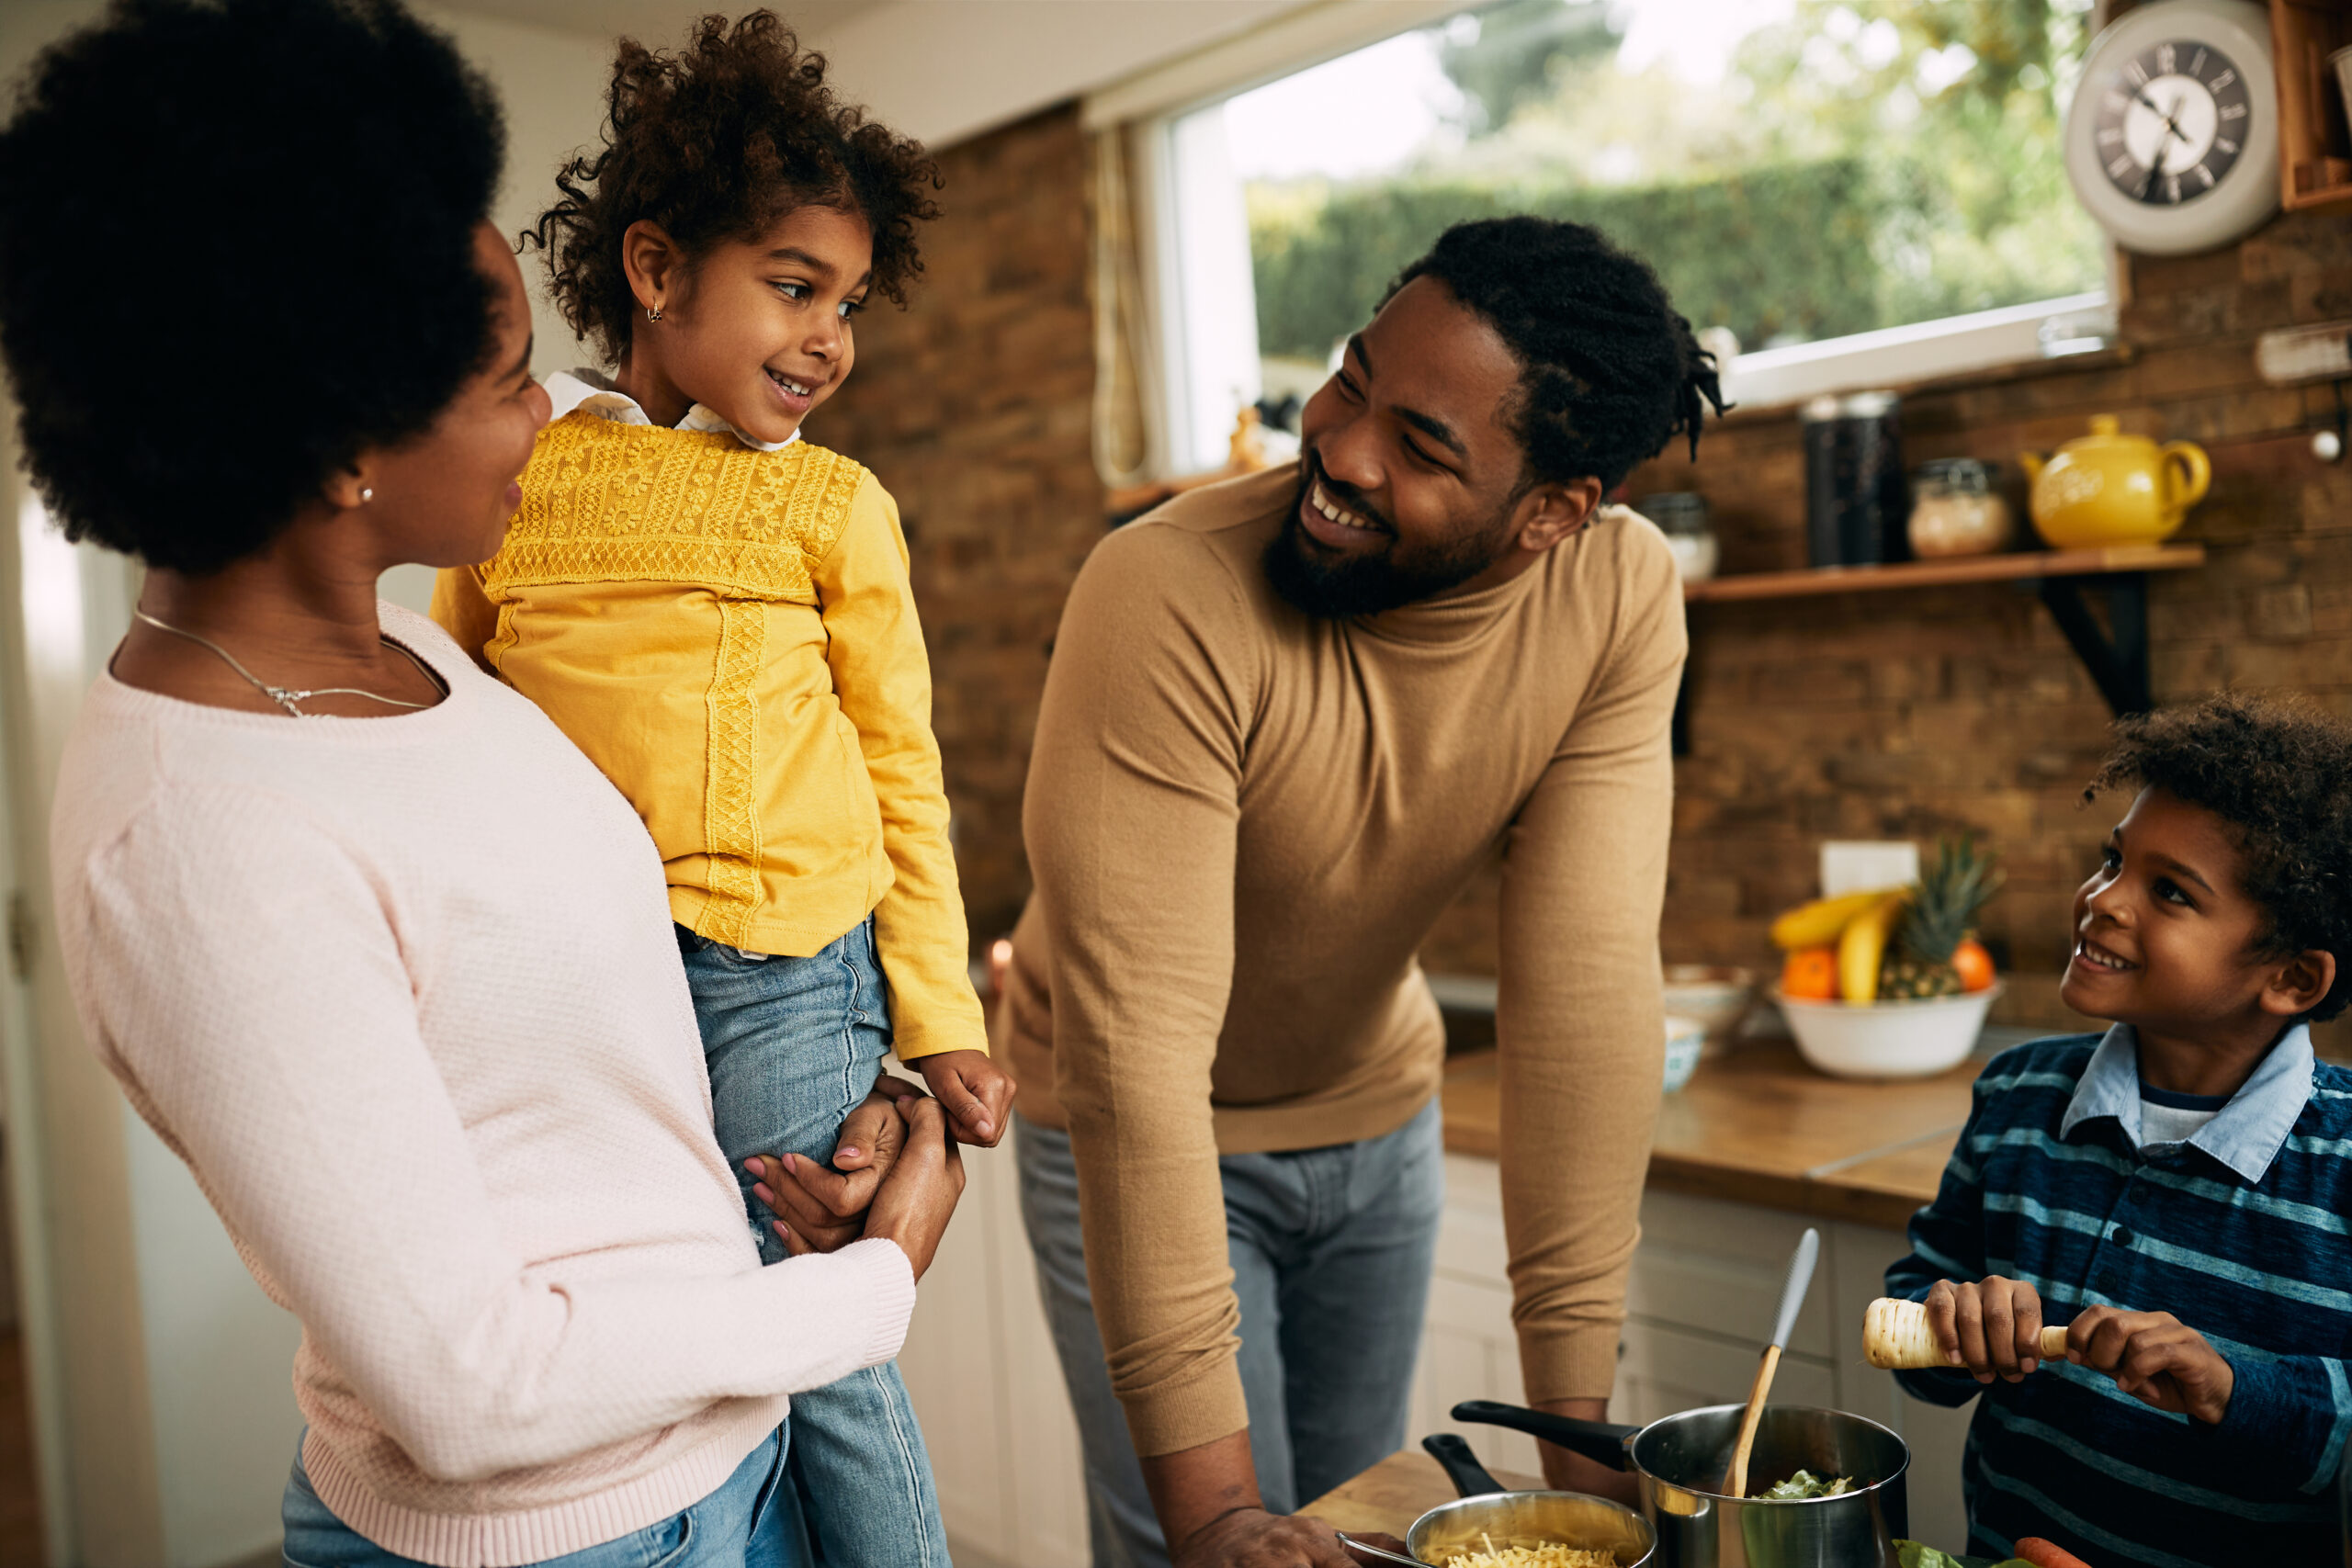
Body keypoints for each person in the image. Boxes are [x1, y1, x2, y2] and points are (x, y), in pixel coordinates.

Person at [2, 3, 962, 1564]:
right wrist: (877, 1277)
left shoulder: (423, 658)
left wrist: (863, 1060)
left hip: (736, 1459)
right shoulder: (192, 833)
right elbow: (472, 1386)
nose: (554, 415)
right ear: (342, 443)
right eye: (514, 375)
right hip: (576, 1531)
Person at [1002, 216, 1726, 1568]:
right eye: (1350, 382)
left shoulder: (1618, 594)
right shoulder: (1168, 591)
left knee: (1368, 1533)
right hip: (1143, 1122)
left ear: (1554, 514)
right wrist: (1216, 1518)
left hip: (1378, 1116)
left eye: (1424, 447)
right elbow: (1137, 1058)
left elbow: (1581, 992)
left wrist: (1575, 1441)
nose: (1339, 449)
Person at [427, 17, 1008, 1564]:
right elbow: (450, 720)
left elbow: (901, 766)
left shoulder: (832, 502)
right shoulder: (517, 476)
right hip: (585, 976)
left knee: (817, 1326)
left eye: (849, 304)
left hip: (780, 969)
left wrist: (941, 1016)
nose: (830, 338)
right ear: (656, 268)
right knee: (671, 1334)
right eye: (795, 287)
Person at [1888, 694, 2352, 1566]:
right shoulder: (2017, 1094)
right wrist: (1950, 1321)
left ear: (2292, 978)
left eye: (2170, 890)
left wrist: (2233, 1389)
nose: (2103, 899)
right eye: (2113, 860)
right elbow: (1917, 1309)